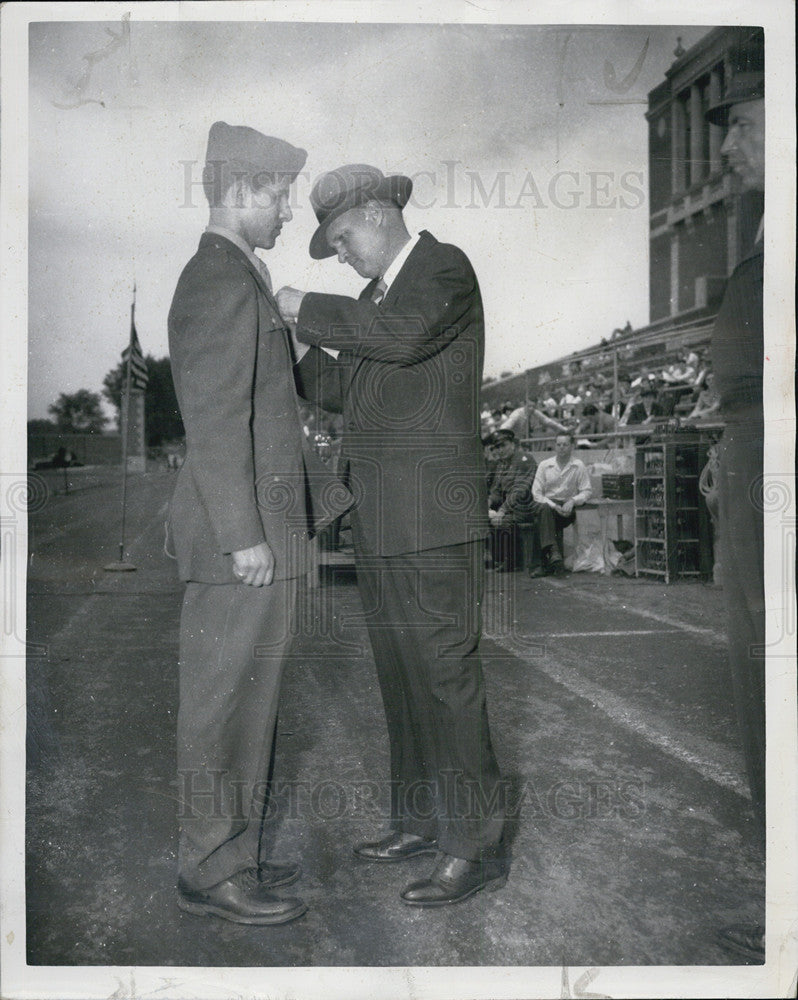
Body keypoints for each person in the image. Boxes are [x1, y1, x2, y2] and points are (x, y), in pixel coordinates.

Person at [277, 163, 507, 907]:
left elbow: (399, 338)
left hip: (435, 523)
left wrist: (301, 305)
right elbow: (344, 387)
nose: (341, 254)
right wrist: (280, 338)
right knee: (404, 682)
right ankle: (416, 820)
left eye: (341, 239)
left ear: (377, 213)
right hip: (382, 522)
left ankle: (472, 847)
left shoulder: (442, 268)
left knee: (445, 679)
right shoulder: (375, 305)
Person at [167, 123, 351, 926]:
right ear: (242, 193)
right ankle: (210, 866)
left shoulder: (242, 277)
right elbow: (213, 419)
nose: (284, 211)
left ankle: (232, 851)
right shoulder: (216, 279)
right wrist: (245, 534)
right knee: (219, 707)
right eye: (276, 195)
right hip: (237, 541)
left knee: (251, 704)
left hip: (263, 537)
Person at [705, 72, 766, 963]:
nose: (724, 146)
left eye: (743, 125)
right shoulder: (761, 225)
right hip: (753, 448)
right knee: (755, 654)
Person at [529, 431, 592, 577]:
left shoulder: (578, 465)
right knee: (544, 512)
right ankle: (554, 555)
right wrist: (553, 506)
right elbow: (537, 493)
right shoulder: (545, 465)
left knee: (542, 519)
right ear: (554, 446)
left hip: (566, 509)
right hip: (547, 505)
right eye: (558, 444)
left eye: (565, 444)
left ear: (572, 446)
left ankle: (542, 563)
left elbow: (587, 491)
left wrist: (572, 501)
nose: (561, 447)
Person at [487, 428, 538, 572]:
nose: (500, 450)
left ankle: (511, 561)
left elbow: (519, 491)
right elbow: (496, 490)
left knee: (504, 521)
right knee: (484, 517)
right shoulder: (502, 464)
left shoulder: (524, 460)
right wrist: (488, 502)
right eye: (497, 447)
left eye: (503, 445)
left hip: (525, 507)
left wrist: (502, 510)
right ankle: (497, 558)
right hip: (509, 507)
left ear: (513, 444)